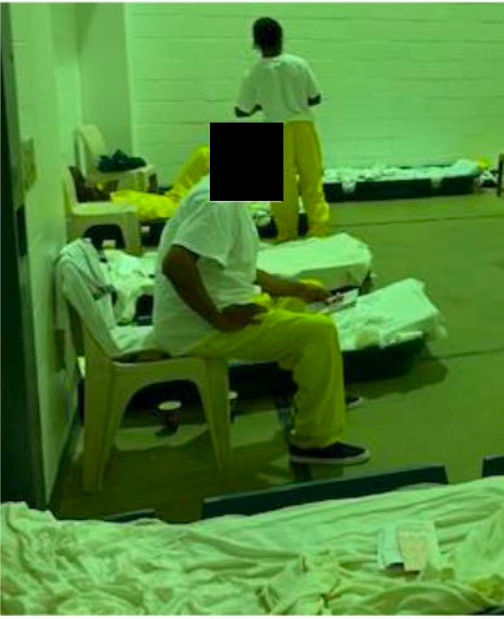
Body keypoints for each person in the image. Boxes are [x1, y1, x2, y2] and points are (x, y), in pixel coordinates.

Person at [152, 174, 369, 466]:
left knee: (299, 299)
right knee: (319, 333)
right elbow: (176, 264)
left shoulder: (227, 198)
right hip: (198, 328)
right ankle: (314, 443)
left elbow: (243, 271)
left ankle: (318, 396)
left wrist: (300, 289)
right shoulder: (218, 202)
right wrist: (219, 320)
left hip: (219, 307)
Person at [235, 17, 330, 242]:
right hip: (303, 125)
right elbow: (315, 98)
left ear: (256, 43)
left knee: (280, 187)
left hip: (274, 128)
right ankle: (319, 230)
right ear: (281, 37)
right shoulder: (300, 64)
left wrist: (263, 104)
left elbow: (241, 111)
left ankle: (287, 233)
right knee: (311, 180)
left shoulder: (253, 73)